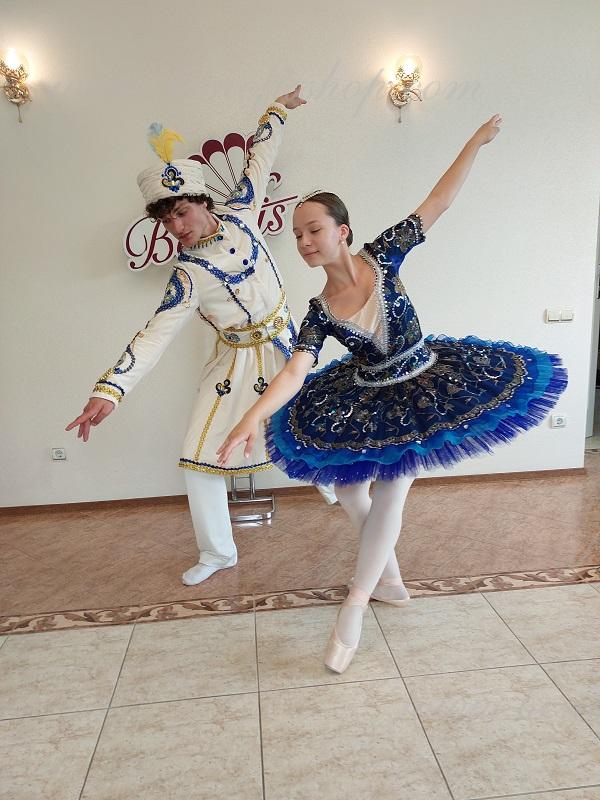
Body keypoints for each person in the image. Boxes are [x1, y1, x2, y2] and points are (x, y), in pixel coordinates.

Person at [216, 114, 568, 673]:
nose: (304, 242)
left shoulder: (384, 255)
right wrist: (250, 419)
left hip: (425, 386)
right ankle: (391, 579)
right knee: (351, 490)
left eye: (314, 229)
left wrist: (474, 141)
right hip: (366, 393)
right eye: (298, 235)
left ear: (343, 231)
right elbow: (295, 372)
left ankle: (355, 603)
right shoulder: (318, 312)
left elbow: (438, 201)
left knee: (392, 491)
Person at [66, 85, 337, 587]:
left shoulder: (243, 212)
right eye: (165, 220)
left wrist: (279, 110)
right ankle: (217, 551)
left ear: (202, 202)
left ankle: (332, 481)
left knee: (316, 430)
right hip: (232, 364)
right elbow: (154, 334)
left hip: (291, 348)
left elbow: (260, 157)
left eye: (181, 213)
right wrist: (110, 391)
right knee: (198, 456)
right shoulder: (188, 275)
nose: (175, 227)